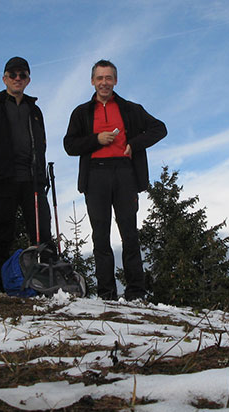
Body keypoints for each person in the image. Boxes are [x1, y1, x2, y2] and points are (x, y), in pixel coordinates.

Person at [63, 59, 167, 301]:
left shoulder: (131, 109)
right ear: (92, 81)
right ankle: (106, 294)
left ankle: (136, 293)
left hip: (124, 173)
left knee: (129, 234)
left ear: (115, 81)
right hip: (95, 175)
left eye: (108, 78)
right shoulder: (81, 113)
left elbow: (159, 128)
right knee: (101, 236)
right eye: (99, 78)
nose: (104, 83)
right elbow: (69, 145)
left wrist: (134, 144)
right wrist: (96, 140)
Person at [0, 56, 56, 292]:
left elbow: (41, 145)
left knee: (42, 234)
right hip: (3, 182)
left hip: (33, 182)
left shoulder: (35, 110)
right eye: (13, 75)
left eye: (22, 75)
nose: (17, 79)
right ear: (4, 79)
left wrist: (40, 175)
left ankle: (47, 285)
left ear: (28, 80)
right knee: (3, 235)